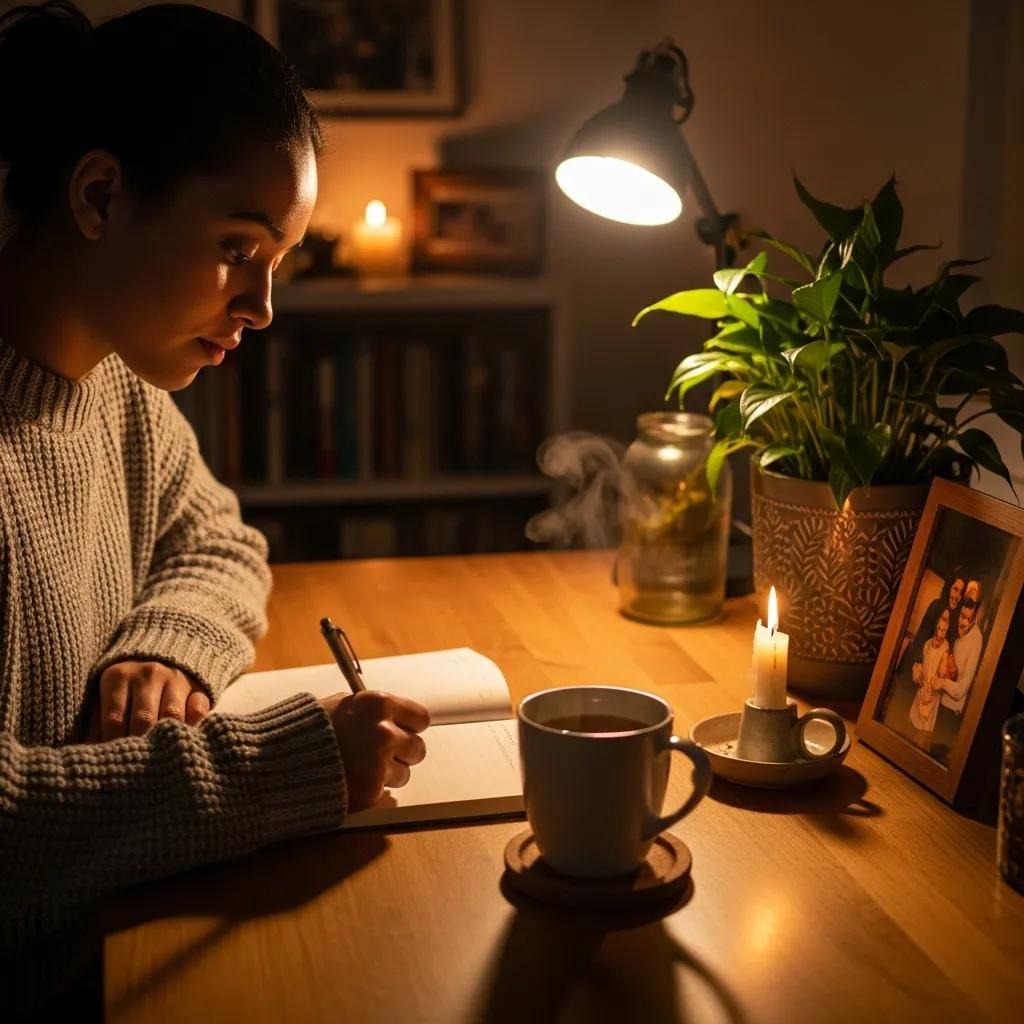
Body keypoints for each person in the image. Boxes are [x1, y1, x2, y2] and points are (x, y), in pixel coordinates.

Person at [0, 0, 431, 971]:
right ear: (101, 198)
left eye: (275, 263)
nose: (262, 307)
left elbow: (219, 540)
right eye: (239, 248)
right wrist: (285, 767)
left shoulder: (111, 387)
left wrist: (171, 646)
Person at [908, 607, 950, 734]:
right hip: (923, 685)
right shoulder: (927, 644)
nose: (941, 632)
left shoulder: (945, 648)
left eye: (944, 630)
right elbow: (923, 661)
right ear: (935, 628)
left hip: (933, 688)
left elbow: (943, 670)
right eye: (939, 629)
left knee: (925, 727)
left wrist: (940, 673)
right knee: (914, 720)